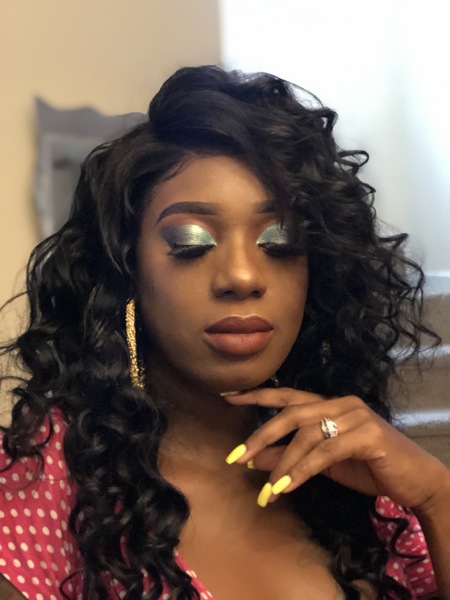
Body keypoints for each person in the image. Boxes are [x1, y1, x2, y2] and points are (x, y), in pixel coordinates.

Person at [0, 65, 449, 600]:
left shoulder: (359, 476)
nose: (242, 276)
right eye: (192, 242)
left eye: (280, 241)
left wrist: (437, 497)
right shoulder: (44, 481)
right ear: (127, 272)